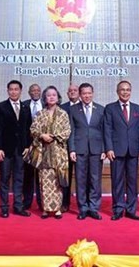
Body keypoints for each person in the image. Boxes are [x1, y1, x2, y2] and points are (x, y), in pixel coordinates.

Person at [104, 80, 139, 221]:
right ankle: (118, 209)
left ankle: (131, 210)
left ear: (131, 91)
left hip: (133, 151)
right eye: (122, 89)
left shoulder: (137, 109)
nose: (125, 92)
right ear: (117, 91)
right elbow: (107, 130)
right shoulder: (110, 108)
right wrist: (109, 148)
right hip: (116, 151)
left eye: (128, 89)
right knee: (117, 181)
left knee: (133, 182)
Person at [0, 80, 32, 218]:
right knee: (4, 179)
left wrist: (28, 146)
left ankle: (18, 206)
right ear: (7, 91)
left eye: (16, 89)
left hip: (21, 150)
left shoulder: (26, 107)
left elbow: (28, 129)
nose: (14, 91)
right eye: (11, 89)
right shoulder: (1, 106)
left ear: (21, 91)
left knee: (19, 179)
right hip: (5, 150)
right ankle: (4, 207)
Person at [30, 86, 70, 219]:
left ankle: (57, 208)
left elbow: (67, 131)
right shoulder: (40, 114)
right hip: (43, 152)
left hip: (59, 153)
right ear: (45, 98)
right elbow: (33, 129)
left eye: (54, 95)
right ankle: (46, 209)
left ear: (58, 97)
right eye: (48, 95)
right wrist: (42, 135)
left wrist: (52, 136)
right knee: (45, 181)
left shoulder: (63, 114)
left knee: (57, 181)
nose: (51, 97)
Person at [69, 82, 105, 220]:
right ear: (80, 94)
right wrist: (72, 149)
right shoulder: (73, 110)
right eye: (84, 93)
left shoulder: (101, 109)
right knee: (81, 179)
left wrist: (104, 148)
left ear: (93, 93)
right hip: (79, 149)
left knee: (95, 180)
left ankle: (94, 208)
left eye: (89, 93)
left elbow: (105, 131)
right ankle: (83, 208)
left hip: (96, 150)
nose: (87, 96)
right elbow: (71, 131)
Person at [59, 83, 80, 213]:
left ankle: (83, 204)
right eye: (70, 91)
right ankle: (64, 203)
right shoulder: (61, 108)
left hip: (81, 147)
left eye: (75, 90)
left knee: (82, 177)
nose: (72, 92)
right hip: (64, 148)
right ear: (67, 94)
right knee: (65, 178)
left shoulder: (85, 106)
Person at [22, 83, 43, 211]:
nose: (35, 92)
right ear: (29, 93)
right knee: (28, 175)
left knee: (41, 176)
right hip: (28, 146)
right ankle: (27, 201)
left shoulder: (47, 105)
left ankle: (42, 202)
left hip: (43, 146)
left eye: (37, 90)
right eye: (33, 90)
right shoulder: (23, 105)